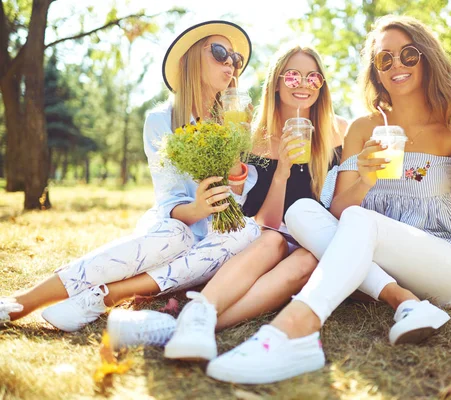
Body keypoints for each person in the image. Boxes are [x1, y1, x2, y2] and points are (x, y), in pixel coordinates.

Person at [205, 15, 451, 384]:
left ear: (427, 59)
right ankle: (404, 301)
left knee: (359, 222)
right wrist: (365, 179)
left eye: (409, 55)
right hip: (380, 268)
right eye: (385, 58)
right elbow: (340, 210)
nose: (397, 65)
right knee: (301, 211)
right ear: (375, 71)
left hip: (445, 268)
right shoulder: (363, 128)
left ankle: (295, 329)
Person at [0, 20, 265, 332]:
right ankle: (24, 301)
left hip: (218, 238)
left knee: (246, 233)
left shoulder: (240, 120)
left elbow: (239, 200)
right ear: (191, 58)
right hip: (175, 226)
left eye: (236, 59)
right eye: (220, 52)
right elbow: (169, 198)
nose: (230, 64)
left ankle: (102, 297)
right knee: (176, 236)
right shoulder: (161, 120)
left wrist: (236, 147)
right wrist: (198, 209)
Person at [107, 43, 348, 361]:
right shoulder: (248, 134)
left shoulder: (340, 131)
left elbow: (341, 207)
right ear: (276, 82)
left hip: (310, 242)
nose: (303, 84)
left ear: (322, 85)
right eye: (292, 77)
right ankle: (194, 319)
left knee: (307, 260)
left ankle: (180, 325)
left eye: (314, 77)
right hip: (260, 239)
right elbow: (263, 220)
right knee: (272, 241)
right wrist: (282, 173)